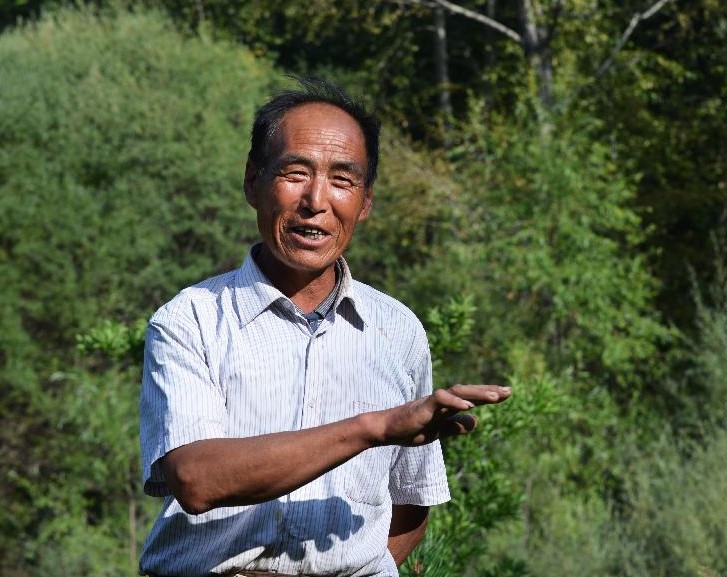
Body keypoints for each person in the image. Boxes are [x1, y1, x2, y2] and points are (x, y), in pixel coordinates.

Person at [139, 77, 511, 577]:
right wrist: (373, 428)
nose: (316, 200)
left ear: (366, 201)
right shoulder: (191, 320)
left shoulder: (397, 330)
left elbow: (409, 502)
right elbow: (196, 478)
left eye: (342, 180)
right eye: (295, 173)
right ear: (252, 181)